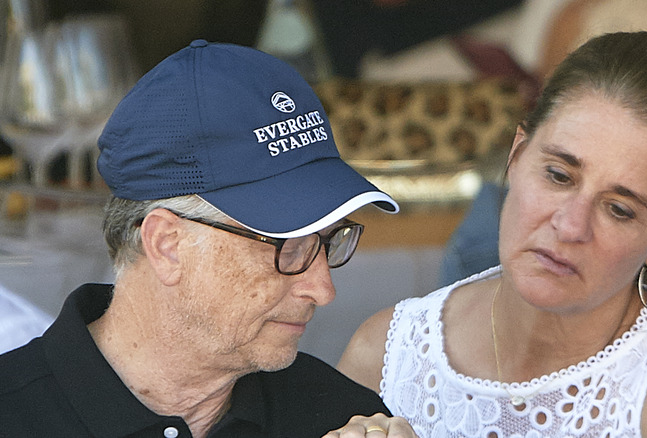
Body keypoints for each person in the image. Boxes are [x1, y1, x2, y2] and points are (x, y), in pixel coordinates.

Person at [338, 31, 647, 437]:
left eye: (619, 209)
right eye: (559, 176)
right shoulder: (385, 354)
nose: (570, 225)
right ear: (518, 154)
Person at [0, 39, 416, 438]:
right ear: (167, 246)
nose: (323, 290)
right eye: (288, 247)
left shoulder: (338, 415)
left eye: (328, 241)